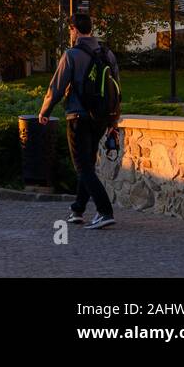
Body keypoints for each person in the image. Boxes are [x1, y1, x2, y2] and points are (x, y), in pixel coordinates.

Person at [39, 13, 119, 230]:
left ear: (74, 29)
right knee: (88, 164)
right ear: (91, 29)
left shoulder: (71, 55)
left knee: (83, 167)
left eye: (70, 29)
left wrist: (44, 111)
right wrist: (114, 122)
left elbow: (56, 87)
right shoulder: (107, 54)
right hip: (100, 119)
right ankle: (78, 209)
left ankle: (105, 212)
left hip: (78, 117)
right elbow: (116, 89)